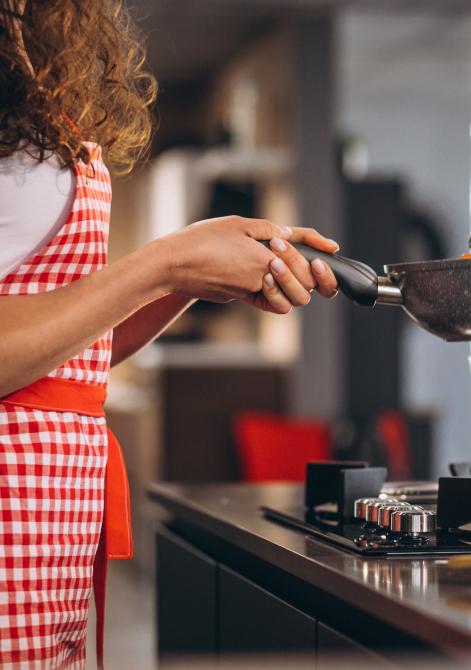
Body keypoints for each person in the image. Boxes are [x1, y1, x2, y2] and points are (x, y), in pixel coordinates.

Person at [0, 1, 340, 665]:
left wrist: (186, 279)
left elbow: (68, 360)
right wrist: (167, 260)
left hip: (45, 534)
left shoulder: (29, 96)